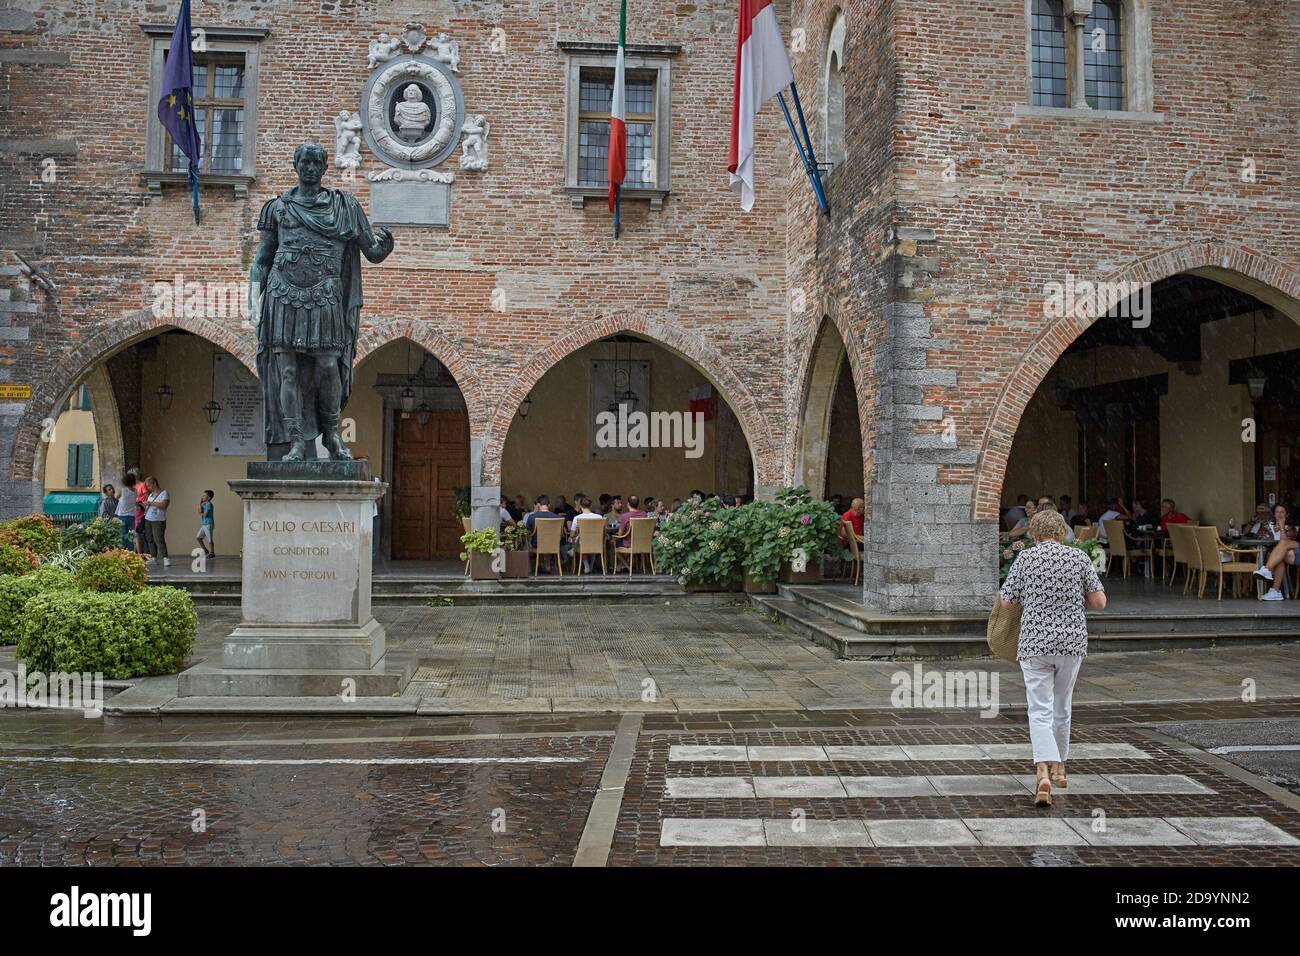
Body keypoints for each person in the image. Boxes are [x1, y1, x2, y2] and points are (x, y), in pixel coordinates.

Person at [999, 509, 1106, 807]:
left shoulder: (1026, 559)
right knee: (1063, 706)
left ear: (1034, 533)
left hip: (1034, 643)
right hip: (1071, 643)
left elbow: (1007, 601)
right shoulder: (1079, 558)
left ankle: (1043, 770)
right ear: (1062, 532)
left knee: (1039, 709)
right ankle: (1060, 768)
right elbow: (1099, 602)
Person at [1255, 504, 1299, 600]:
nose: (1279, 514)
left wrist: (1282, 528)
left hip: (1292, 549)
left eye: (1282, 512)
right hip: (1275, 554)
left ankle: (1266, 569)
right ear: (1274, 514)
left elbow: (1285, 542)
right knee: (1279, 559)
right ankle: (1275, 591)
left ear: (1286, 514)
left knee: (1282, 546)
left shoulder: (1291, 528)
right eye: (1277, 512)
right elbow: (1261, 537)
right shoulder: (1268, 526)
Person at [568, 496, 605, 573]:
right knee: (584, 540)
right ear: (591, 506)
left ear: (580, 506)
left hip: (583, 544)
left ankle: (586, 566)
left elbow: (572, 534)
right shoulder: (599, 517)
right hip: (597, 543)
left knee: (579, 540)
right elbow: (604, 532)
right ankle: (591, 565)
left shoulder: (577, 518)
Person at [142, 476, 171, 567]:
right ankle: (153, 558)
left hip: (158, 520)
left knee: (159, 539)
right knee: (150, 539)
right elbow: (149, 507)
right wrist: (144, 505)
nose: (148, 488)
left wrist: (150, 503)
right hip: (148, 519)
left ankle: (165, 558)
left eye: (149, 485)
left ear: (154, 483)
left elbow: (164, 505)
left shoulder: (164, 493)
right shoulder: (150, 495)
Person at [114, 473, 137, 550]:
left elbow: (116, 496)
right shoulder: (135, 491)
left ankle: (123, 553)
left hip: (122, 516)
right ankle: (130, 553)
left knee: (122, 536)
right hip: (132, 515)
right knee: (130, 537)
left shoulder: (122, 490)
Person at [195, 490, 215, 565]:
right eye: (202, 495)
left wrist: (200, 513)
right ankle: (205, 550)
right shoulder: (204, 504)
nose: (202, 497)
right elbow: (199, 510)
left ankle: (212, 553)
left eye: (204, 495)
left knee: (209, 539)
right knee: (198, 537)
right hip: (204, 524)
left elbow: (205, 514)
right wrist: (200, 504)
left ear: (209, 497)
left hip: (208, 524)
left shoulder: (209, 504)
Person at [133, 471, 149, 556]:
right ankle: (137, 553)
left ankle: (142, 553)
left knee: (139, 531)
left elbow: (146, 498)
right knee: (135, 532)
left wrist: (142, 505)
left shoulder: (142, 485)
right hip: (134, 509)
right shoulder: (132, 486)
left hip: (140, 508)